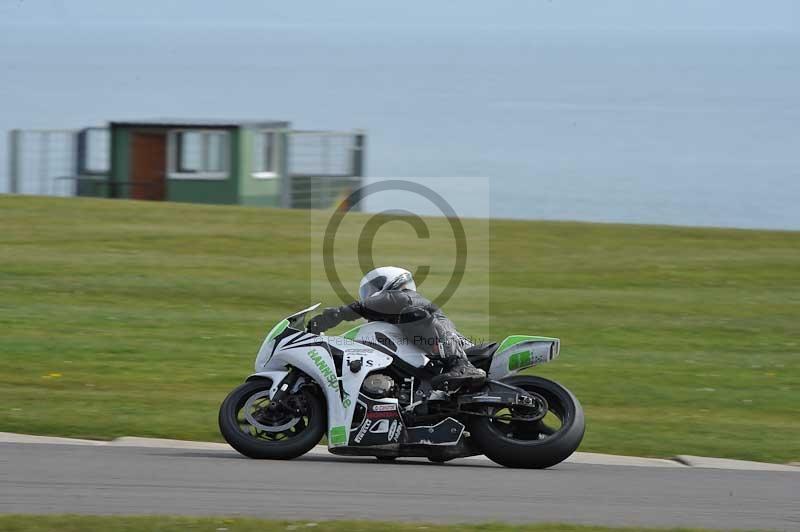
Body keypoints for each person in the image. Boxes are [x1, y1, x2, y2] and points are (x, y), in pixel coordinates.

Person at [307, 266, 486, 389]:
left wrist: (332, 317)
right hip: (442, 355)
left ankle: (462, 365)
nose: (368, 296)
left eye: (371, 290)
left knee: (412, 315)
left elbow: (370, 305)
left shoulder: (404, 297)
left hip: (464, 351)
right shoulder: (398, 314)